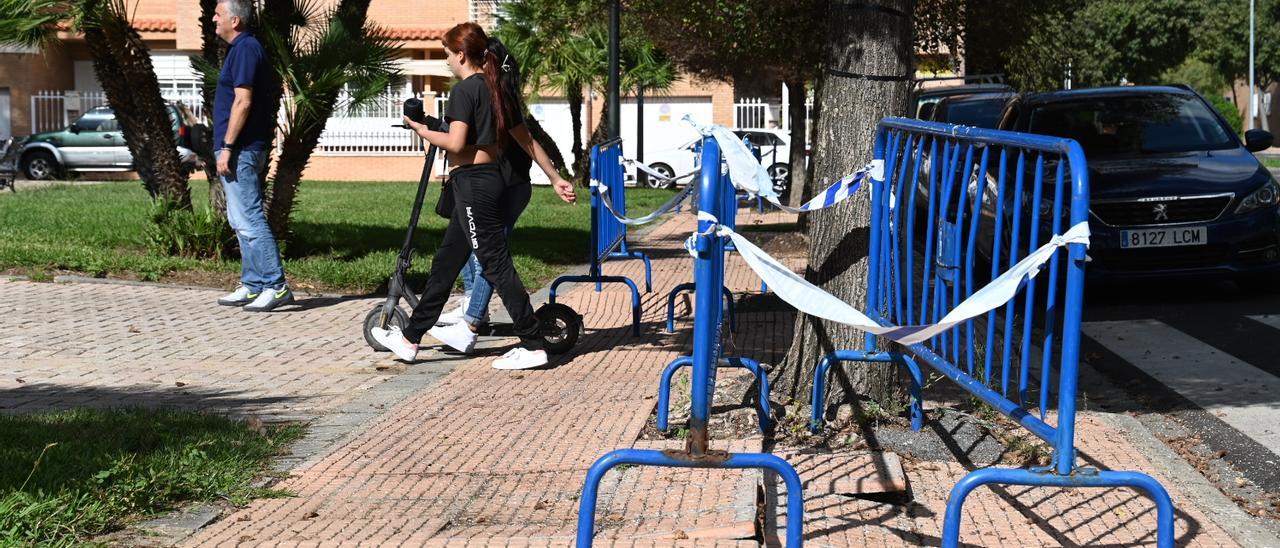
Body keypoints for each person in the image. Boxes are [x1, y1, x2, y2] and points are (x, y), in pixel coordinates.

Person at [372, 22, 575, 370]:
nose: (447, 62)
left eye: (448, 55)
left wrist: (420, 129)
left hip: (474, 186)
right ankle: (410, 339)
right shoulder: (497, 88)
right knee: (446, 263)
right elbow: (526, 140)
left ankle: (532, 343)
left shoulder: (466, 91)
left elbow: (455, 143)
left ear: (462, 54)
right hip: (485, 181)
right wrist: (555, 177)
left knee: (495, 264)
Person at [433, 38, 543, 343]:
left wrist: (556, 177)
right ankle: (472, 306)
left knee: (489, 256)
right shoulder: (490, 94)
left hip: (507, 185)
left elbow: (525, 142)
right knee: (472, 245)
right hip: (491, 183)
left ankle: (472, 324)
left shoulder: (496, 97)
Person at [211, 0, 292, 312]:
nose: (213, 19)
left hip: (241, 149)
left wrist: (228, 146)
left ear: (235, 20)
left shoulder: (246, 49)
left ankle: (276, 284)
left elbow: (242, 102)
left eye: (217, 14)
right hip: (240, 149)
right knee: (239, 218)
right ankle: (252, 284)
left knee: (250, 218)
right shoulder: (241, 49)